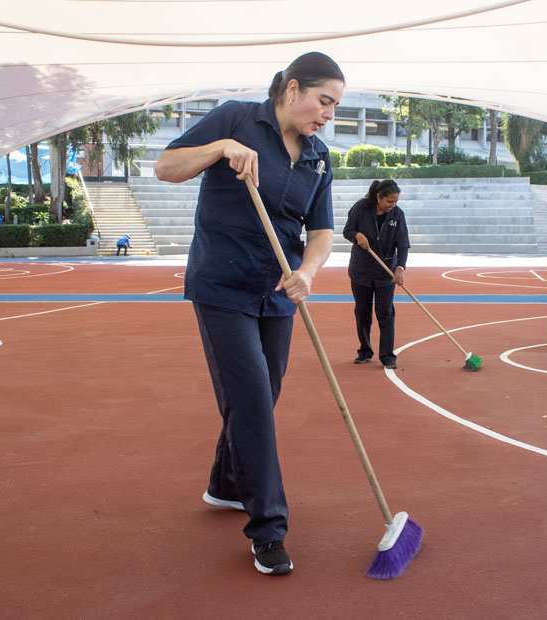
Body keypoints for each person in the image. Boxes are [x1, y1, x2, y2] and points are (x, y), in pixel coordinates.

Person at [154, 51, 343, 576]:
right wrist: (219, 148)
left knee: (265, 392)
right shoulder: (237, 118)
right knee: (254, 400)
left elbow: (322, 233)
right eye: (323, 101)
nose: (327, 114)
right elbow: (166, 167)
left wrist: (307, 271)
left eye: (334, 106)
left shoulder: (318, 158)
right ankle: (268, 530)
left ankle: (226, 484)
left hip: (278, 292)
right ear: (291, 90)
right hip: (222, 286)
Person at [342, 179, 410, 369]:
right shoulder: (360, 208)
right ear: (379, 197)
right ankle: (364, 350)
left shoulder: (398, 214)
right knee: (362, 312)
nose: (393, 205)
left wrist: (400, 268)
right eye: (390, 201)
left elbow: (403, 244)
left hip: (386, 273)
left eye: (396, 201)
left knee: (385, 312)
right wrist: (357, 236)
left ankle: (387, 355)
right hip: (361, 270)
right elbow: (347, 230)